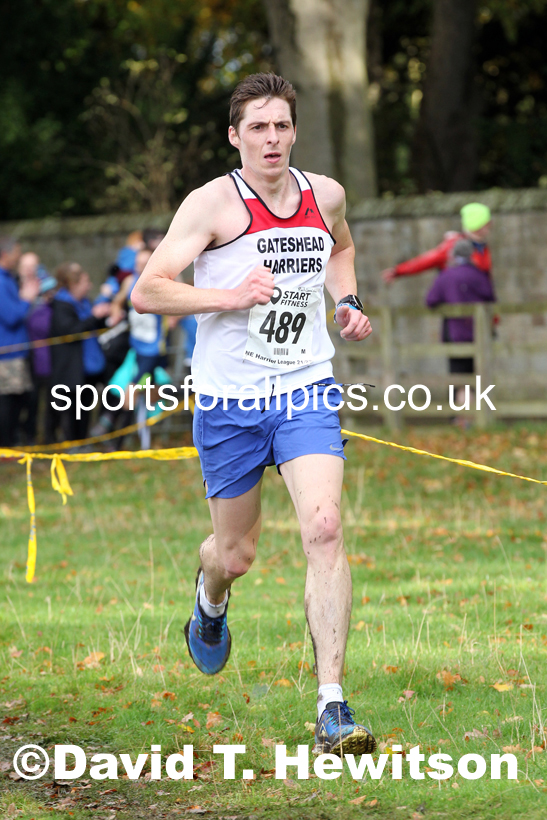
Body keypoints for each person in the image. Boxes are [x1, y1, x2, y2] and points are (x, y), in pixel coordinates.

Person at [132, 73, 375, 757]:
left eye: (281, 126)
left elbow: (342, 247)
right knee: (233, 555)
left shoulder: (323, 194)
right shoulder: (211, 205)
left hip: (303, 388)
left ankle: (332, 706)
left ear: (294, 131)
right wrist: (227, 298)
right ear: (234, 136)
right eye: (256, 128)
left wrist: (346, 301)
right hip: (229, 401)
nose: (270, 138)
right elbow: (148, 291)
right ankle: (209, 604)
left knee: (324, 528)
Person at [50, 263, 110, 443]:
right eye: (85, 282)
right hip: (72, 367)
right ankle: (73, 442)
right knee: (73, 408)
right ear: (73, 284)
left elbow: (92, 326)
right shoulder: (61, 305)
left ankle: (85, 440)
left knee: (87, 405)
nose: (89, 285)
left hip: (90, 364)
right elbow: (72, 331)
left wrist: (104, 318)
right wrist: (94, 316)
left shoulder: (85, 302)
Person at [426, 238, 496, 376]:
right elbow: (490, 297)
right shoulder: (479, 275)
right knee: (480, 376)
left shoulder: (446, 276)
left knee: (460, 379)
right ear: (471, 255)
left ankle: (463, 397)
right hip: (479, 333)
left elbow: (431, 300)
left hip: (455, 334)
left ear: (454, 255)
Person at [382, 202, 492, 283]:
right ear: (478, 225)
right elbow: (425, 261)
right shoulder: (454, 246)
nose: (490, 225)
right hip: (459, 307)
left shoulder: (481, 247)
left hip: (480, 306)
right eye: (487, 222)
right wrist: (398, 271)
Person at [0, 236, 40, 447]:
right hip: (7, 355)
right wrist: (27, 298)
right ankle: (5, 448)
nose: (19, 257)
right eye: (17, 253)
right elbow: (11, 316)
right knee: (8, 402)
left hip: (18, 353)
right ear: (5, 254)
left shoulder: (7, 278)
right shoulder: (1, 281)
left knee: (20, 400)